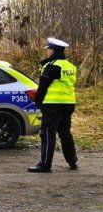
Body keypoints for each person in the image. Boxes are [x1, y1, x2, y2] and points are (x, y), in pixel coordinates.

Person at [29, 38, 78, 173]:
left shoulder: (51, 66)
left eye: (48, 49)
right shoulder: (70, 66)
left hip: (52, 105)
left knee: (48, 134)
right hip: (68, 104)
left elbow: (43, 87)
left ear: (53, 50)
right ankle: (72, 160)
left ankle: (44, 165)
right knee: (65, 133)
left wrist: (38, 102)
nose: (47, 52)